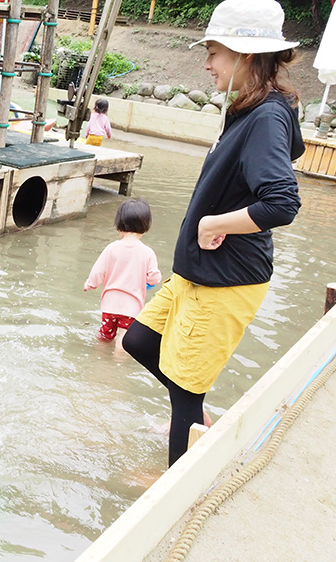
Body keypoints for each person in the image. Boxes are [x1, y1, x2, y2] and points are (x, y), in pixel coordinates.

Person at [122, 0, 304, 467]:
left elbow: (282, 203)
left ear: (245, 56)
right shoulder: (259, 108)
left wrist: (214, 223)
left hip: (226, 280)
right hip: (199, 272)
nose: (206, 63)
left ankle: (175, 483)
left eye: (215, 53)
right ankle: (195, 416)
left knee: (184, 389)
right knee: (138, 341)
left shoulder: (266, 116)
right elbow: (286, 157)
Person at [84, 198, 161, 350]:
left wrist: (90, 284)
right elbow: (154, 278)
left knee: (105, 336)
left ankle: (100, 360)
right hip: (131, 307)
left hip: (109, 305)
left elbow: (98, 271)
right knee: (123, 338)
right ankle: (118, 365)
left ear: (119, 225)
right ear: (146, 226)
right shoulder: (147, 253)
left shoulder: (111, 248)